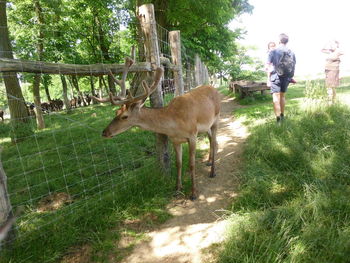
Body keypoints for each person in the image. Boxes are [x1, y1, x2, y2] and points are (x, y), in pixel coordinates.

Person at [267, 33, 296, 123]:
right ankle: (282, 116)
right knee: (282, 96)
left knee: (276, 97)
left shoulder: (273, 51)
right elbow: (293, 65)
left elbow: (268, 66)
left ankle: (278, 119)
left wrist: (268, 79)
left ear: (279, 41)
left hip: (276, 76)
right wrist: (291, 77)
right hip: (287, 77)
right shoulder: (291, 52)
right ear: (287, 41)